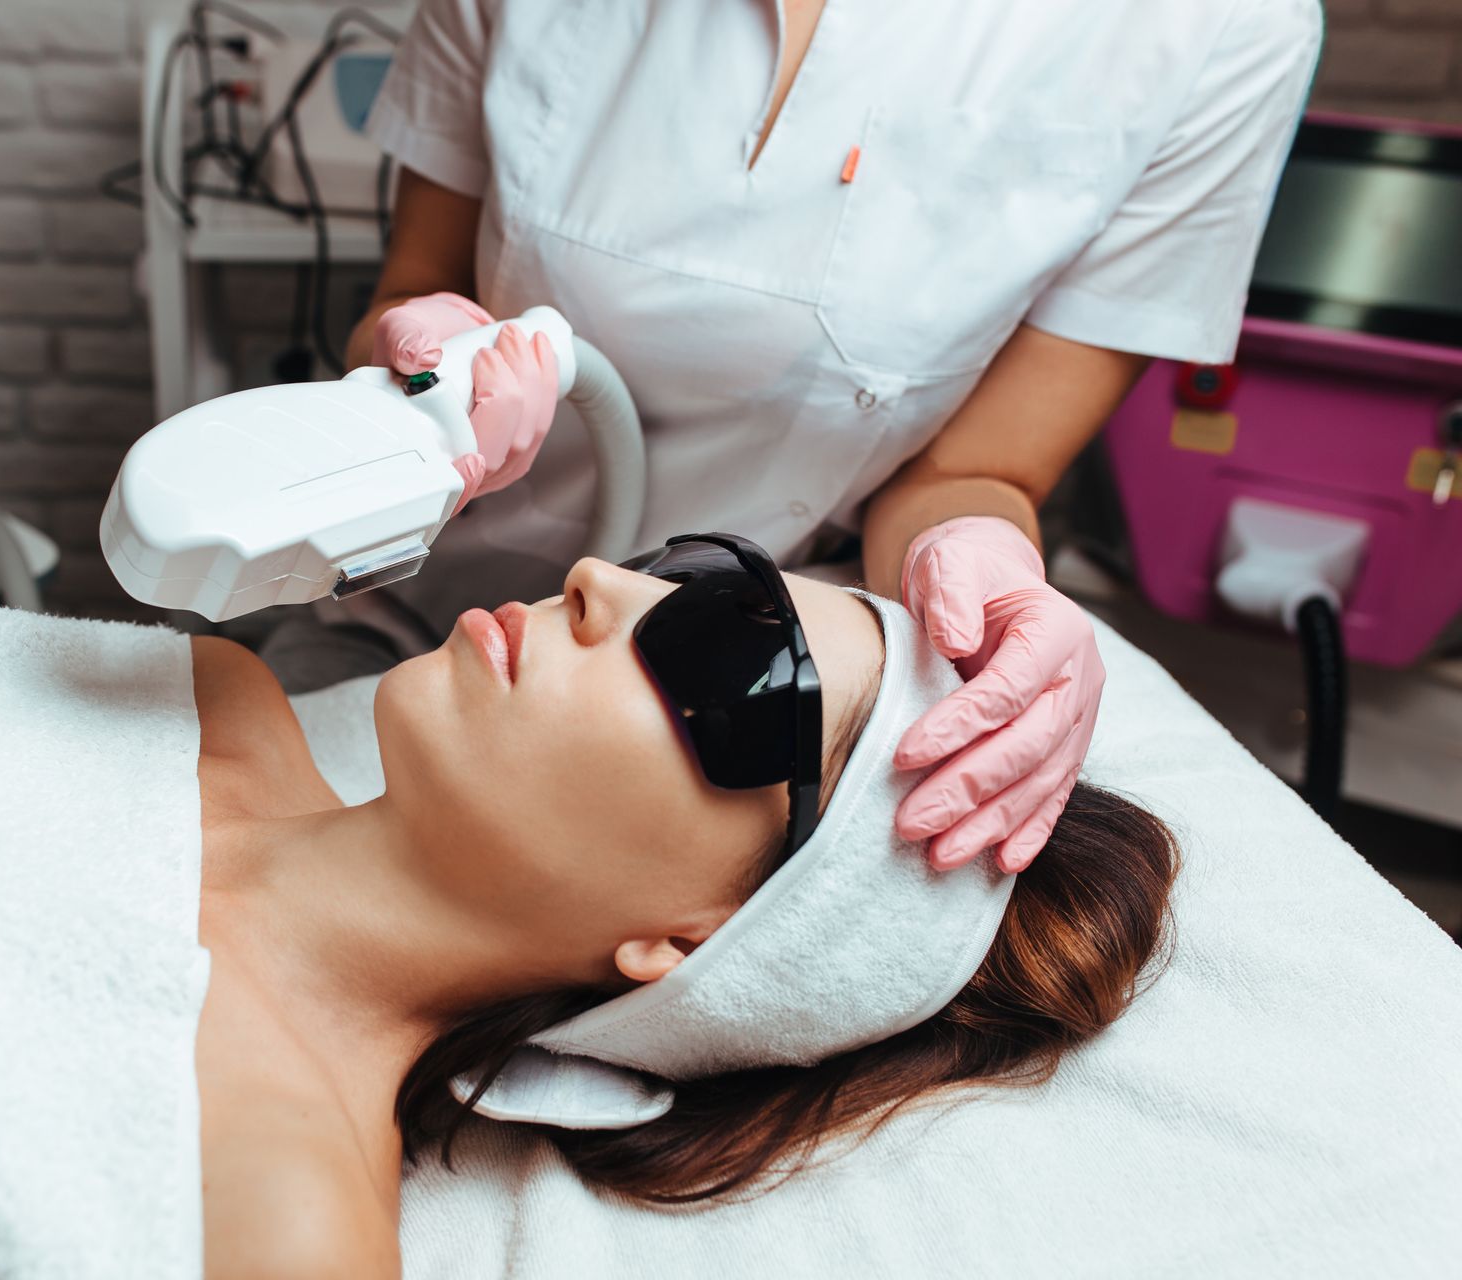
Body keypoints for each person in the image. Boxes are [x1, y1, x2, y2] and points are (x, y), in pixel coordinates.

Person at [267, 0, 1321, 877]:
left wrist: (982, 563)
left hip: (723, 707)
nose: (603, 584)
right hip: (409, 610)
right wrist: (417, 350)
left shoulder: (1215, 30)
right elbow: (408, 291)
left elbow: (978, 470)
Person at [200, 537, 1177, 1277]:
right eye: (684, 572)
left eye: (722, 658)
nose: (594, 577)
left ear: (694, 941)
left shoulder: (277, 1209)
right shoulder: (214, 695)